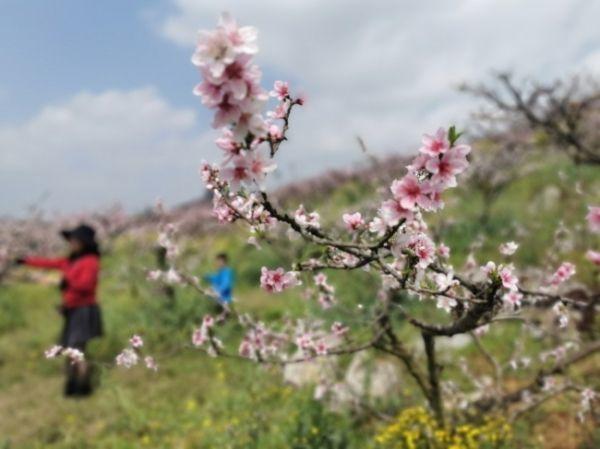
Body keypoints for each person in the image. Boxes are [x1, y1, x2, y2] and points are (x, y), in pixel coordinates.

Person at [16, 224, 103, 397]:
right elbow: (49, 263)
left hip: (83, 311)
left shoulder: (90, 261)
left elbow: (86, 285)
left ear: (84, 243)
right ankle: (73, 385)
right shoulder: (71, 260)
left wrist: (66, 281)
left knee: (76, 349)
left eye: (75, 241)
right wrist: (24, 261)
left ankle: (82, 387)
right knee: (71, 349)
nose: (72, 244)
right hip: (72, 310)